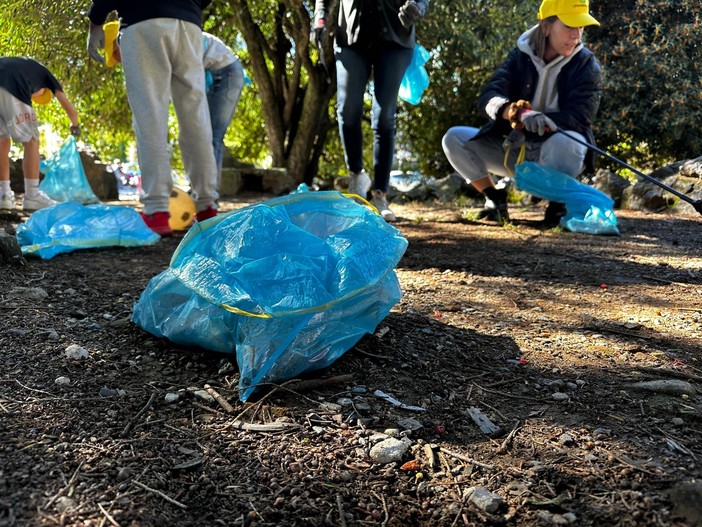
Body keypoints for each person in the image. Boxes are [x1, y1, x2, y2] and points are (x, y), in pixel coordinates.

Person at [441, 0, 602, 226]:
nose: (576, 35)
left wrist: (545, 120)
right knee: (454, 138)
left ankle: (557, 206)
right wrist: (512, 112)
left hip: (554, 151)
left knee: (572, 143)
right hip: (513, 149)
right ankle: (494, 198)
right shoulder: (519, 56)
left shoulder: (586, 64)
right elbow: (489, 95)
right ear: (546, 26)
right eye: (568, 26)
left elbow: (581, 115)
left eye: (581, 26)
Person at [86, 0, 219, 237]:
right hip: (189, 24)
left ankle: (157, 211)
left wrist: (96, 21)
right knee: (195, 115)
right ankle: (207, 207)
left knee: (150, 115)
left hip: (143, 20)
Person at [312, 0, 429, 222]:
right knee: (347, 111)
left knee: (384, 117)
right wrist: (321, 16)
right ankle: (357, 175)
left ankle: (380, 195)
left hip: (395, 35)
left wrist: (419, 5)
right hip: (350, 35)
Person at [0, 57, 80, 212]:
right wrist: (75, 125)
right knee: (31, 140)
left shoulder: (26, 65)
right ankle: (32, 195)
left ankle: (3, 195)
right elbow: (70, 110)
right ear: (45, 89)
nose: (35, 96)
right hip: (12, 84)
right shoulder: (46, 75)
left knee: (2, 141)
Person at [202, 32, 245, 187]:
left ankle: (208, 191)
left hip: (228, 73)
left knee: (212, 136)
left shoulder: (185, 34)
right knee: (206, 135)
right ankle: (205, 189)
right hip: (218, 73)